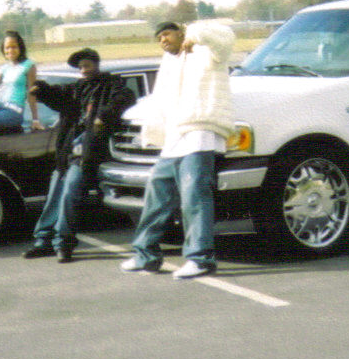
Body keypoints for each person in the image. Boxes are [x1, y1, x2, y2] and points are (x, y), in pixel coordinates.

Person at [121, 20, 236, 279]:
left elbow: (226, 36)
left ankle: (200, 259)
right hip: (175, 136)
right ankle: (146, 255)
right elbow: (162, 101)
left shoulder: (206, 50)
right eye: (159, 37)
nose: (163, 40)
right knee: (157, 193)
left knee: (194, 194)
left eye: (167, 34)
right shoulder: (168, 62)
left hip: (200, 131)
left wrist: (195, 34)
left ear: (181, 32)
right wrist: (155, 133)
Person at [25, 48, 137, 263]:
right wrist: (42, 89)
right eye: (80, 67)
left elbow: (126, 98)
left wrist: (104, 115)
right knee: (54, 194)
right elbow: (57, 95)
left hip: (88, 153)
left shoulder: (111, 85)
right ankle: (43, 241)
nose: (84, 70)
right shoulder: (77, 89)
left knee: (70, 194)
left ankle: (63, 244)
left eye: (87, 65)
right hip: (67, 153)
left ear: (97, 65)